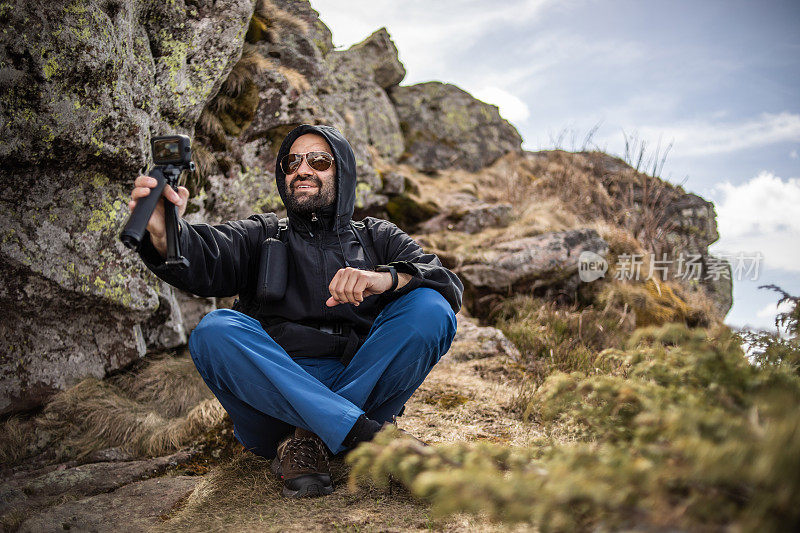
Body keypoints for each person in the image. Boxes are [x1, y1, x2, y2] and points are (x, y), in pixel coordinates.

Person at [129, 124, 463, 498]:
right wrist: (165, 234)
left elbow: (446, 283)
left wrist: (385, 279)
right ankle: (365, 436)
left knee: (430, 306)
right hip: (272, 398)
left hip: (363, 382)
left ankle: (309, 438)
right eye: (292, 162)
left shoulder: (377, 237)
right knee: (215, 330)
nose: (303, 169)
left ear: (344, 171)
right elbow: (207, 257)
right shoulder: (262, 234)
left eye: (319, 160)